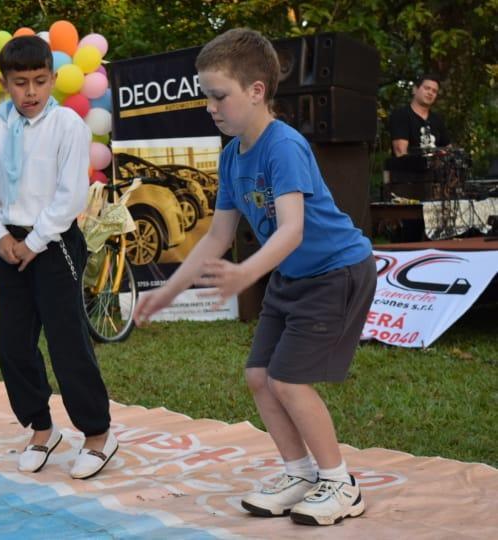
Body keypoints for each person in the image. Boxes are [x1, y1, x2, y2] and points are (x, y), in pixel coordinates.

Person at [134, 28, 376, 526]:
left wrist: (245, 274)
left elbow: (291, 230)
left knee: (288, 379)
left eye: (219, 96)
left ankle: (340, 483)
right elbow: (216, 237)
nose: (211, 107)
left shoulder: (283, 147)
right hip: (292, 276)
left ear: (256, 91)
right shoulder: (230, 157)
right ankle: (301, 473)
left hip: (336, 272)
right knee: (258, 377)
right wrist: (166, 292)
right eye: (207, 96)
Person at [0, 36, 117, 479]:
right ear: (3, 83)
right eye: (20, 83)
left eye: (40, 81)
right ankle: (41, 428)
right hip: (8, 244)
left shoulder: (68, 125)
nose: (30, 93)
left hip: (54, 243)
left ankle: (97, 435)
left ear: (53, 77)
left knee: (66, 340)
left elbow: (70, 195)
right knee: (13, 343)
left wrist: (34, 243)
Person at [389, 73, 450, 156]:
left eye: (434, 91)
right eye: (427, 88)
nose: (430, 93)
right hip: (407, 168)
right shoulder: (401, 115)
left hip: (434, 168)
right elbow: (400, 152)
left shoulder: (437, 120)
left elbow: (447, 148)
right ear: (415, 90)